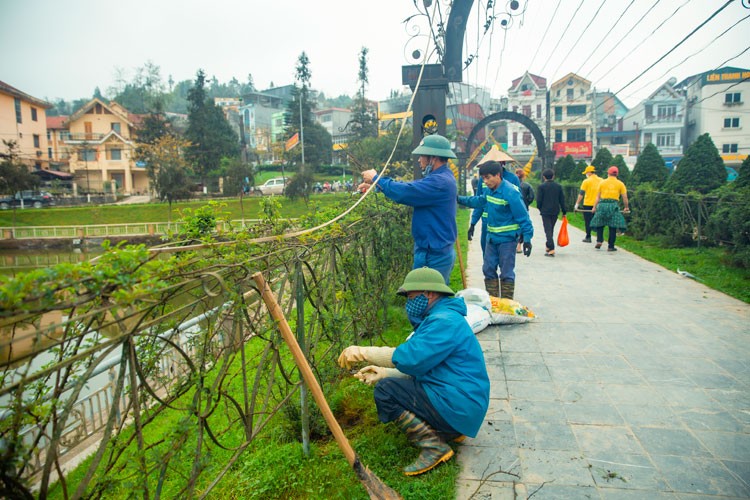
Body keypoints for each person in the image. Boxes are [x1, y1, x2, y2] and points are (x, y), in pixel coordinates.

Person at [337, 267, 490, 476]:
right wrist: (385, 373)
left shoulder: (444, 322)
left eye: (411, 297)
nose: (409, 303)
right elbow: (425, 368)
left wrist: (364, 352)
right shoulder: (441, 316)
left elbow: (410, 358)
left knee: (386, 391)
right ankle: (450, 430)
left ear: (430, 293)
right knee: (387, 383)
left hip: (460, 405)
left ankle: (434, 447)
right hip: (461, 403)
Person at [359, 134, 457, 283]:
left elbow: (406, 192)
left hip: (434, 254)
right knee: (425, 298)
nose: (419, 160)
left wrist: (376, 178)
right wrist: (376, 186)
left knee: (426, 300)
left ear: (433, 158)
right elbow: (411, 188)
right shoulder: (440, 178)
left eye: (422, 156)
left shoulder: (439, 182)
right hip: (431, 250)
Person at [458, 161, 533, 299]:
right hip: (491, 238)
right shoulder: (488, 191)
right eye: (483, 178)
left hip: (507, 240)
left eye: (488, 177)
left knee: (506, 273)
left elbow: (523, 217)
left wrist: (527, 239)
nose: (485, 182)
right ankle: (492, 302)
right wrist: (458, 199)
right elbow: (478, 201)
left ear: (498, 175)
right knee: (488, 269)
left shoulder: (511, 192)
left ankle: (506, 304)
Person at [468, 162, 521, 254]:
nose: (486, 180)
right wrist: (473, 223)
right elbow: (479, 202)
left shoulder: (513, 179)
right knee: (488, 258)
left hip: (507, 227)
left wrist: (522, 230)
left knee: (506, 261)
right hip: (487, 223)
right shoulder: (483, 179)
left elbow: (519, 206)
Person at [591, 166, 630, 251]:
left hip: (602, 205)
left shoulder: (602, 183)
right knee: (613, 226)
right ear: (617, 174)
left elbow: (597, 197)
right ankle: (610, 246)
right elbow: (625, 197)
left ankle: (599, 240)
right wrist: (626, 207)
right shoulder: (620, 184)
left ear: (608, 173)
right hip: (613, 206)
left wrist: (594, 207)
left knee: (599, 223)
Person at [536, 169, 566, 257]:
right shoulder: (558, 186)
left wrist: (540, 208)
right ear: (553, 176)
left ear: (544, 177)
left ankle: (551, 248)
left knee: (547, 229)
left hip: (545, 211)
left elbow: (539, 200)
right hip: (555, 210)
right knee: (551, 228)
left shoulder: (541, 187)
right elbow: (562, 200)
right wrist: (564, 211)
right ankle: (548, 245)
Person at [574, 165, 602, 243]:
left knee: (588, 221)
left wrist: (577, 204)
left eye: (586, 173)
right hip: (599, 204)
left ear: (589, 173)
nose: (586, 174)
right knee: (599, 221)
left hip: (588, 204)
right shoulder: (602, 180)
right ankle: (599, 238)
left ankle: (588, 237)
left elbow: (581, 193)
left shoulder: (586, 181)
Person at [515, 168, 535, 253]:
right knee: (523, 225)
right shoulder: (527, 185)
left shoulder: (511, 184)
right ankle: (519, 244)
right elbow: (531, 196)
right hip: (524, 208)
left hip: (513, 208)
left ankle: (515, 243)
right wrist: (526, 203)